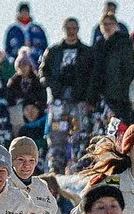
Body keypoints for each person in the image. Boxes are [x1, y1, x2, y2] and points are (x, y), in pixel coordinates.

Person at [41, 17, 95, 170]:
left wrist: (89, 98)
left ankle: (81, 166)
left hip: (79, 100)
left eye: (74, 28)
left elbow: (93, 76)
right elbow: (43, 72)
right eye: (68, 28)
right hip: (59, 100)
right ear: (63, 29)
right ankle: (55, 166)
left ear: (78, 29)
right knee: (57, 135)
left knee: (81, 134)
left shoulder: (87, 52)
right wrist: (53, 85)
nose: (71, 32)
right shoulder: (53, 51)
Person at [5, 2, 48, 67]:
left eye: (26, 11)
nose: (24, 13)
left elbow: (45, 46)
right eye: (22, 11)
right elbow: (8, 49)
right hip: (17, 64)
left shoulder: (38, 29)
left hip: (36, 63)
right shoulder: (12, 30)